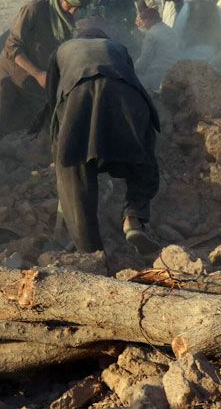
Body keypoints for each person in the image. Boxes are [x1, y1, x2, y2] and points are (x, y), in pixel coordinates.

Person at [42, 32, 161, 255]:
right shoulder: (117, 46)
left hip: (80, 96)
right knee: (143, 158)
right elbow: (131, 79)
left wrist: (59, 150)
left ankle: (90, 251)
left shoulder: (62, 50)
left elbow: (53, 101)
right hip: (127, 95)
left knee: (73, 169)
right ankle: (133, 218)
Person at [0, 0, 88, 151]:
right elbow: (13, 47)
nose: (73, 12)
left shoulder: (73, 20)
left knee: (37, 127)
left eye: (78, 8)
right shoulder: (34, 10)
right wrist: (38, 74)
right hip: (12, 75)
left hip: (41, 82)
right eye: (71, 5)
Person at [134, 0, 182, 92]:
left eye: (143, 20)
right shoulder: (168, 29)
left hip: (159, 74)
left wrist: (134, 69)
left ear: (152, 20)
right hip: (175, 69)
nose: (141, 23)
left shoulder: (151, 35)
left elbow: (145, 59)